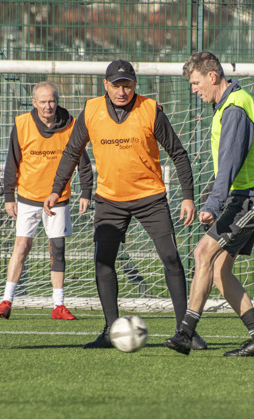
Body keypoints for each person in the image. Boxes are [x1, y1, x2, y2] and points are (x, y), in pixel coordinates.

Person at [44, 60, 207, 350]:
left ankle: (187, 331)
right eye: (116, 85)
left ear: (135, 85)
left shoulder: (150, 110)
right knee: (103, 261)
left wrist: (188, 196)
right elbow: (71, 152)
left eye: (127, 85)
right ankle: (110, 329)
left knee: (171, 258)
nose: (122, 91)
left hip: (150, 198)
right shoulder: (91, 110)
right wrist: (57, 190)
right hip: (109, 200)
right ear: (105, 85)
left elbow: (179, 154)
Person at [164, 51, 254, 357]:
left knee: (203, 253)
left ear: (212, 77)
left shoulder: (235, 109)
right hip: (248, 196)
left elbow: (229, 162)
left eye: (196, 82)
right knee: (220, 270)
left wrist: (213, 202)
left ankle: (185, 333)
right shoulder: (239, 101)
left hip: (252, 198)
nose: (194, 89)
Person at [0, 81, 93, 320]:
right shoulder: (22, 124)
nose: (48, 106)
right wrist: (9, 196)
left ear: (57, 101)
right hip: (28, 197)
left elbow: (83, 163)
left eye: (52, 101)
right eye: (43, 101)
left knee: (57, 249)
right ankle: (7, 300)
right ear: (34, 102)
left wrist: (86, 192)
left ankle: (58, 305)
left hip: (58, 199)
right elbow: (12, 163)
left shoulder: (71, 125)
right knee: (21, 247)